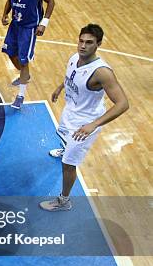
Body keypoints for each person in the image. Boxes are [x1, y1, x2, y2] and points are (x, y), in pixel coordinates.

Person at [40, 24, 128, 211]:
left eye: (89, 43)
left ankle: (64, 201)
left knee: (68, 164)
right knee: (64, 140)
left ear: (98, 45)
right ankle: (66, 149)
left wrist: (93, 125)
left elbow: (122, 104)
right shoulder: (74, 58)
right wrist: (59, 87)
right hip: (71, 112)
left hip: (86, 123)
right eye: (81, 41)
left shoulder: (102, 72)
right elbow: (70, 77)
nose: (83, 46)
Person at [1, 0, 55, 109]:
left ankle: (21, 95)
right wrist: (5, 14)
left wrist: (43, 23)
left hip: (29, 28)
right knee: (9, 52)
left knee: (24, 61)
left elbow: (51, 1)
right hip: (15, 25)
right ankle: (25, 75)